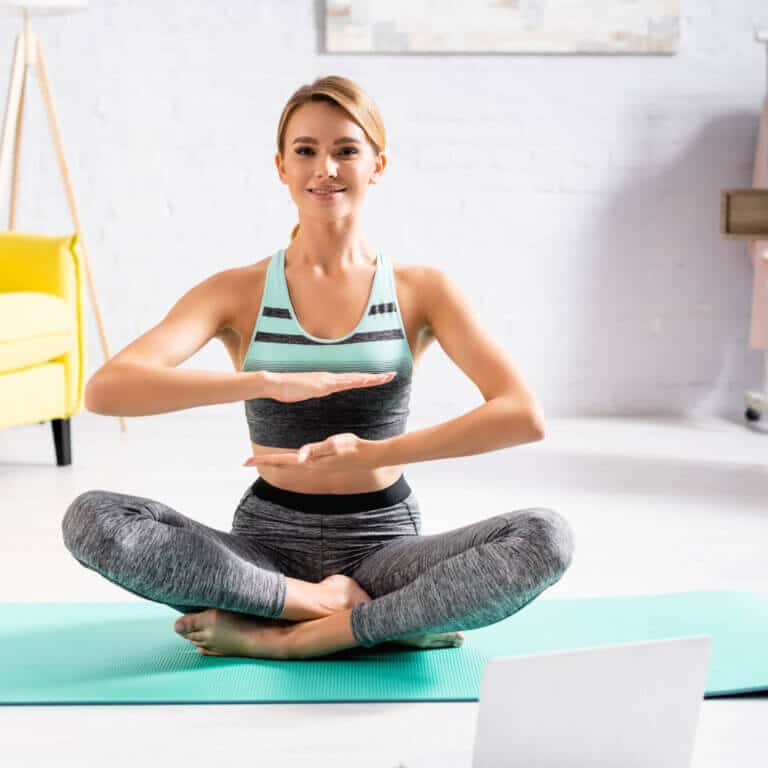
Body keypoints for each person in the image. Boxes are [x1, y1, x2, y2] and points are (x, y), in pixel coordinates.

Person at [61, 75, 575, 661]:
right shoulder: (239, 290)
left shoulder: (422, 289)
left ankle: (295, 638)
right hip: (265, 554)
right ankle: (347, 614)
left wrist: (377, 453)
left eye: (346, 150)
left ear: (377, 164)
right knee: (94, 518)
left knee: (546, 536)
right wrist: (264, 381)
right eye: (305, 150)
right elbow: (107, 391)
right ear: (281, 166)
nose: (324, 167)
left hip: (383, 550)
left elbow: (522, 415)